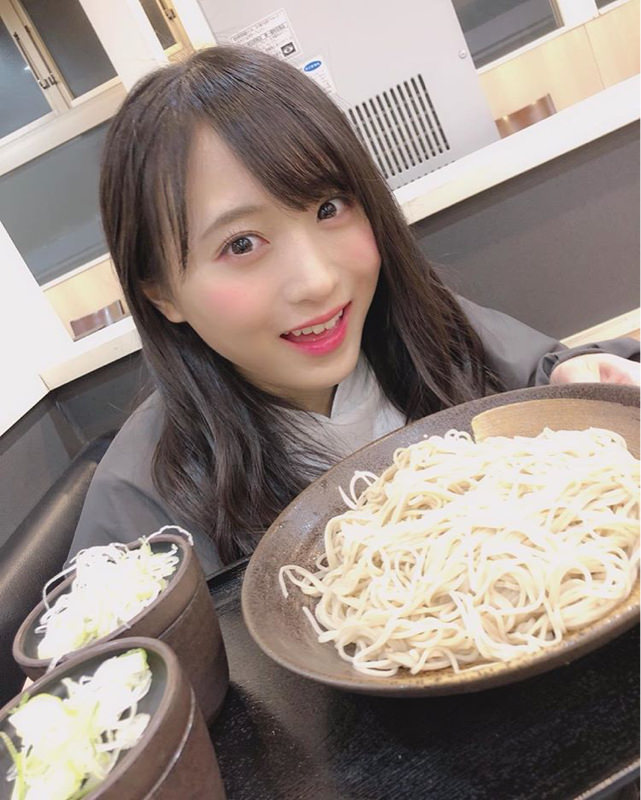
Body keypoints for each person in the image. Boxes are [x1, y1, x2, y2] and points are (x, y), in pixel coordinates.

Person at [69, 46, 640, 577]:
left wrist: (576, 378)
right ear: (161, 294)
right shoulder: (142, 504)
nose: (318, 281)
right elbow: (112, 643)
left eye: (329, 207)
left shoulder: (421, 328)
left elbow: (540, 377)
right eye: (241, 244)